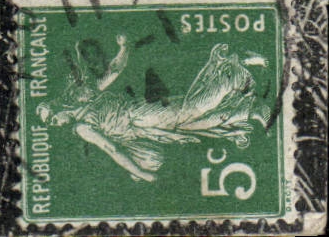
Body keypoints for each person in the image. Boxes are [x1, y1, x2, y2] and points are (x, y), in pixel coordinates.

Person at [36, 35, 268, 182]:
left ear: (60, 108)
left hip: (138, 114)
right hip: (140, 130)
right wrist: (142, 172)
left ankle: (235, 66)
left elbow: (115, 71)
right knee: (194, 124)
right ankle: (250, 110)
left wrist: (123, 47)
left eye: (53, 119)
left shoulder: (84, 108)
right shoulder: (81, 122)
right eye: (52, 124)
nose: (56, 124)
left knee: (192, 110)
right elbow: (115, 148)